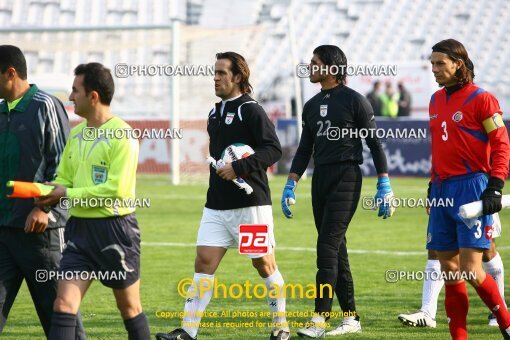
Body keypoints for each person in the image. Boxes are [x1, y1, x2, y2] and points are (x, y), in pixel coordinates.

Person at [155, 52, 289, 340]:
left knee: (263, 264)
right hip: (217, 205)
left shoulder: (250, 109)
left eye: (221, 73)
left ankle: (281, 326)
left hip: (249, 205)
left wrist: (239, 166)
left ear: (238, 77)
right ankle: (187, 331)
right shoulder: (214, 113)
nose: (215, 78)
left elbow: (274, 149)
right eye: (213, 73)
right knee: (203, 262)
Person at [281, 45, 395, 338]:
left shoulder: (355, 101)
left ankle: (319, 318)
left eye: (315, 62)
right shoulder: (310, 105)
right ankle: (350, 318)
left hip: (347, 177)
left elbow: (375, 144)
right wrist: (291, 182)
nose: (310, 66)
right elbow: (305, 148)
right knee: (337, 250)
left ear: (332, 67)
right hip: (321, 179)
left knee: (326, 247)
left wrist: (384, 184)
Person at [36, 62, 150, 340]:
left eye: (75, 90)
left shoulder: (122, 135)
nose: (71, 96)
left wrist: (67, 194)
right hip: (79, 233)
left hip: (116, 232)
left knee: (129, 308)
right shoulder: (76, 134)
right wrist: (45, 194)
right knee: (63, 305)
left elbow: (117, 191)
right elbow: (64, 178)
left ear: (93, 96)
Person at [426, 39, 510, 339]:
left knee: (472, 270)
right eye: (432, 63)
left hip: (472, 187)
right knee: (449, 271)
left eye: (439, 63)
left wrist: (496, 185)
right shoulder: (435, 101)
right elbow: (438, 148)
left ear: (457, 64)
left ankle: (506, 323)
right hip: (440, 190)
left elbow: (501, 143)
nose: (434, 69)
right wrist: (430, 186)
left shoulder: (482, 99)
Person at [0, 45, 86, 339]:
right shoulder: (0, 110)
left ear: (10, 73)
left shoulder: (45, 105)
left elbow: (64, 166)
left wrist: (44, 209)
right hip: (3, 231)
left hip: (41, 235)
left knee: (61, 321)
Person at [398, 214, 506, 327]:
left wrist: (493, 196)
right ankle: (427, 312)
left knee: (487, 252)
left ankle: (498, 310)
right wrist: (431, 197)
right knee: (436, 250)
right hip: (444, 203)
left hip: (474, 200)